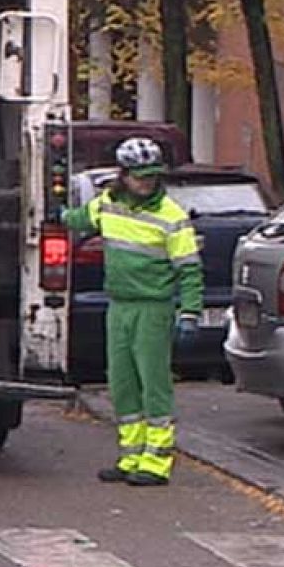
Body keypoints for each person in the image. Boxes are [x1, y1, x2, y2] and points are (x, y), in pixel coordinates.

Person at [63, 136, 203, 486]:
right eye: (140, 176)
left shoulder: (172, 216)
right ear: (123, 176)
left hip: (152, 308)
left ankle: (156, 462)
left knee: (153, 383)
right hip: (119, 305)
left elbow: (189, 270)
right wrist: (58, 214)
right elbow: (80, 219)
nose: (146, 182)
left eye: (152, 176)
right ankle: (131, 455)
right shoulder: (108, 204)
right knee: (122, 383)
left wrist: (189, 313)